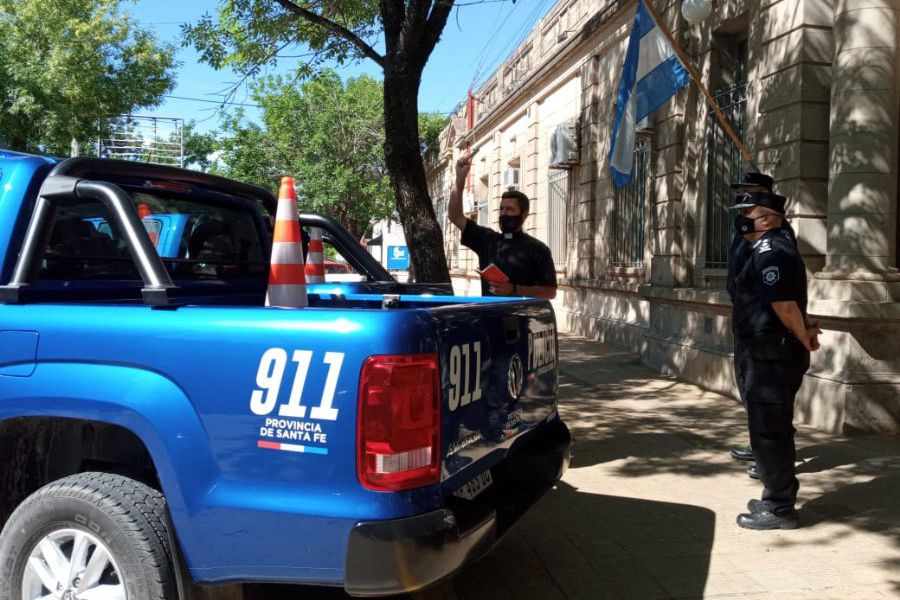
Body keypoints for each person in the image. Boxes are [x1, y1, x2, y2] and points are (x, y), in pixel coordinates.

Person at [729, 190, 821, 530]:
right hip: (766, 352)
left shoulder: (772, 249)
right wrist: (805, 326)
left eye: (746, 212)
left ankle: (780, 507)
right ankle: (776, 495)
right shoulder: (767, 247)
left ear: (766, 218)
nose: (740, 219)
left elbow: (783, 304)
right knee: (768, 427)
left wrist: (802, 334)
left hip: (771, 356)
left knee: (771, 431)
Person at [448, 155, 557, 299]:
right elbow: (455, 216)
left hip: (521, 319)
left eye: (510, 209)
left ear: (524, 215)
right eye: (502, 209)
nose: (504, 213)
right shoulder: (487, 239)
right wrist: (460, 180)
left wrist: (514, 289)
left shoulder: (538, 249)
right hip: (490, 317)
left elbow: (550, 292)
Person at [727, 172, 775, 473]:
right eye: (741, 191)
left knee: (766, 395)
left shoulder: (773, 237)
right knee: (748, 387)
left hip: (763, 327)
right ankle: (759, 445)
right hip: (745, 322)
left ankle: (769, 457)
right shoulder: (744, 229)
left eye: (749, 192)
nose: (742, 196)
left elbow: (779, 293)